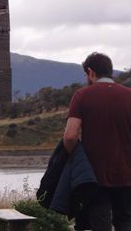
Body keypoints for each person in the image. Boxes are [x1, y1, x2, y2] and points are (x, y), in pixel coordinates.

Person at [63, 52, 131, 231]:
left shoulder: (82, 95)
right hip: (127, 173)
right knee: (125, 221)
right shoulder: (129, 95)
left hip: (94, 175)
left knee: (99, 223)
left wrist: (75, 158)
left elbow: (70, 136)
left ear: (91, 72)